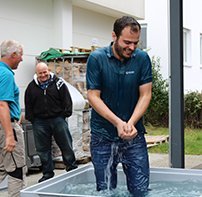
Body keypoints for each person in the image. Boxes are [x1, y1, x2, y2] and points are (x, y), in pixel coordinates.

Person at [86, 16, 152, 196]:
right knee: (106, 191)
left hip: (134, 135)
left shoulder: (142, 59)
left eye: (135, 43)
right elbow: (93, 96)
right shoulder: (97, 58)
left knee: (141, 191)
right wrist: (118, 123)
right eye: (127, 42)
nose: (131, 47)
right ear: (114, 36)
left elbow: (145, 94)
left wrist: (130, 123)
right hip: (103, 136)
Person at [24, 62, 77, 183]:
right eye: (40, 73)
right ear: (36, 74)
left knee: (66, 145)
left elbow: (67, 99)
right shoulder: (31, 87)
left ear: (48, 70)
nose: (43, 75)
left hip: (58, 119)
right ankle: (47, 173)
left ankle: (72, 168)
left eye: (45, 72)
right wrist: (32, 119)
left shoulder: (59, 83)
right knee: (43, 149)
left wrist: (65, 114)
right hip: (40, 122)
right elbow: (28, 105)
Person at [0, 40, 26, 196]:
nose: (22, 59)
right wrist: (10, 135)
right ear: (13, 54)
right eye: (21, 55)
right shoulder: (6, 74)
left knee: (2, 167)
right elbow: (2, 105)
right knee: (17, 169)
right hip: (6, 127)